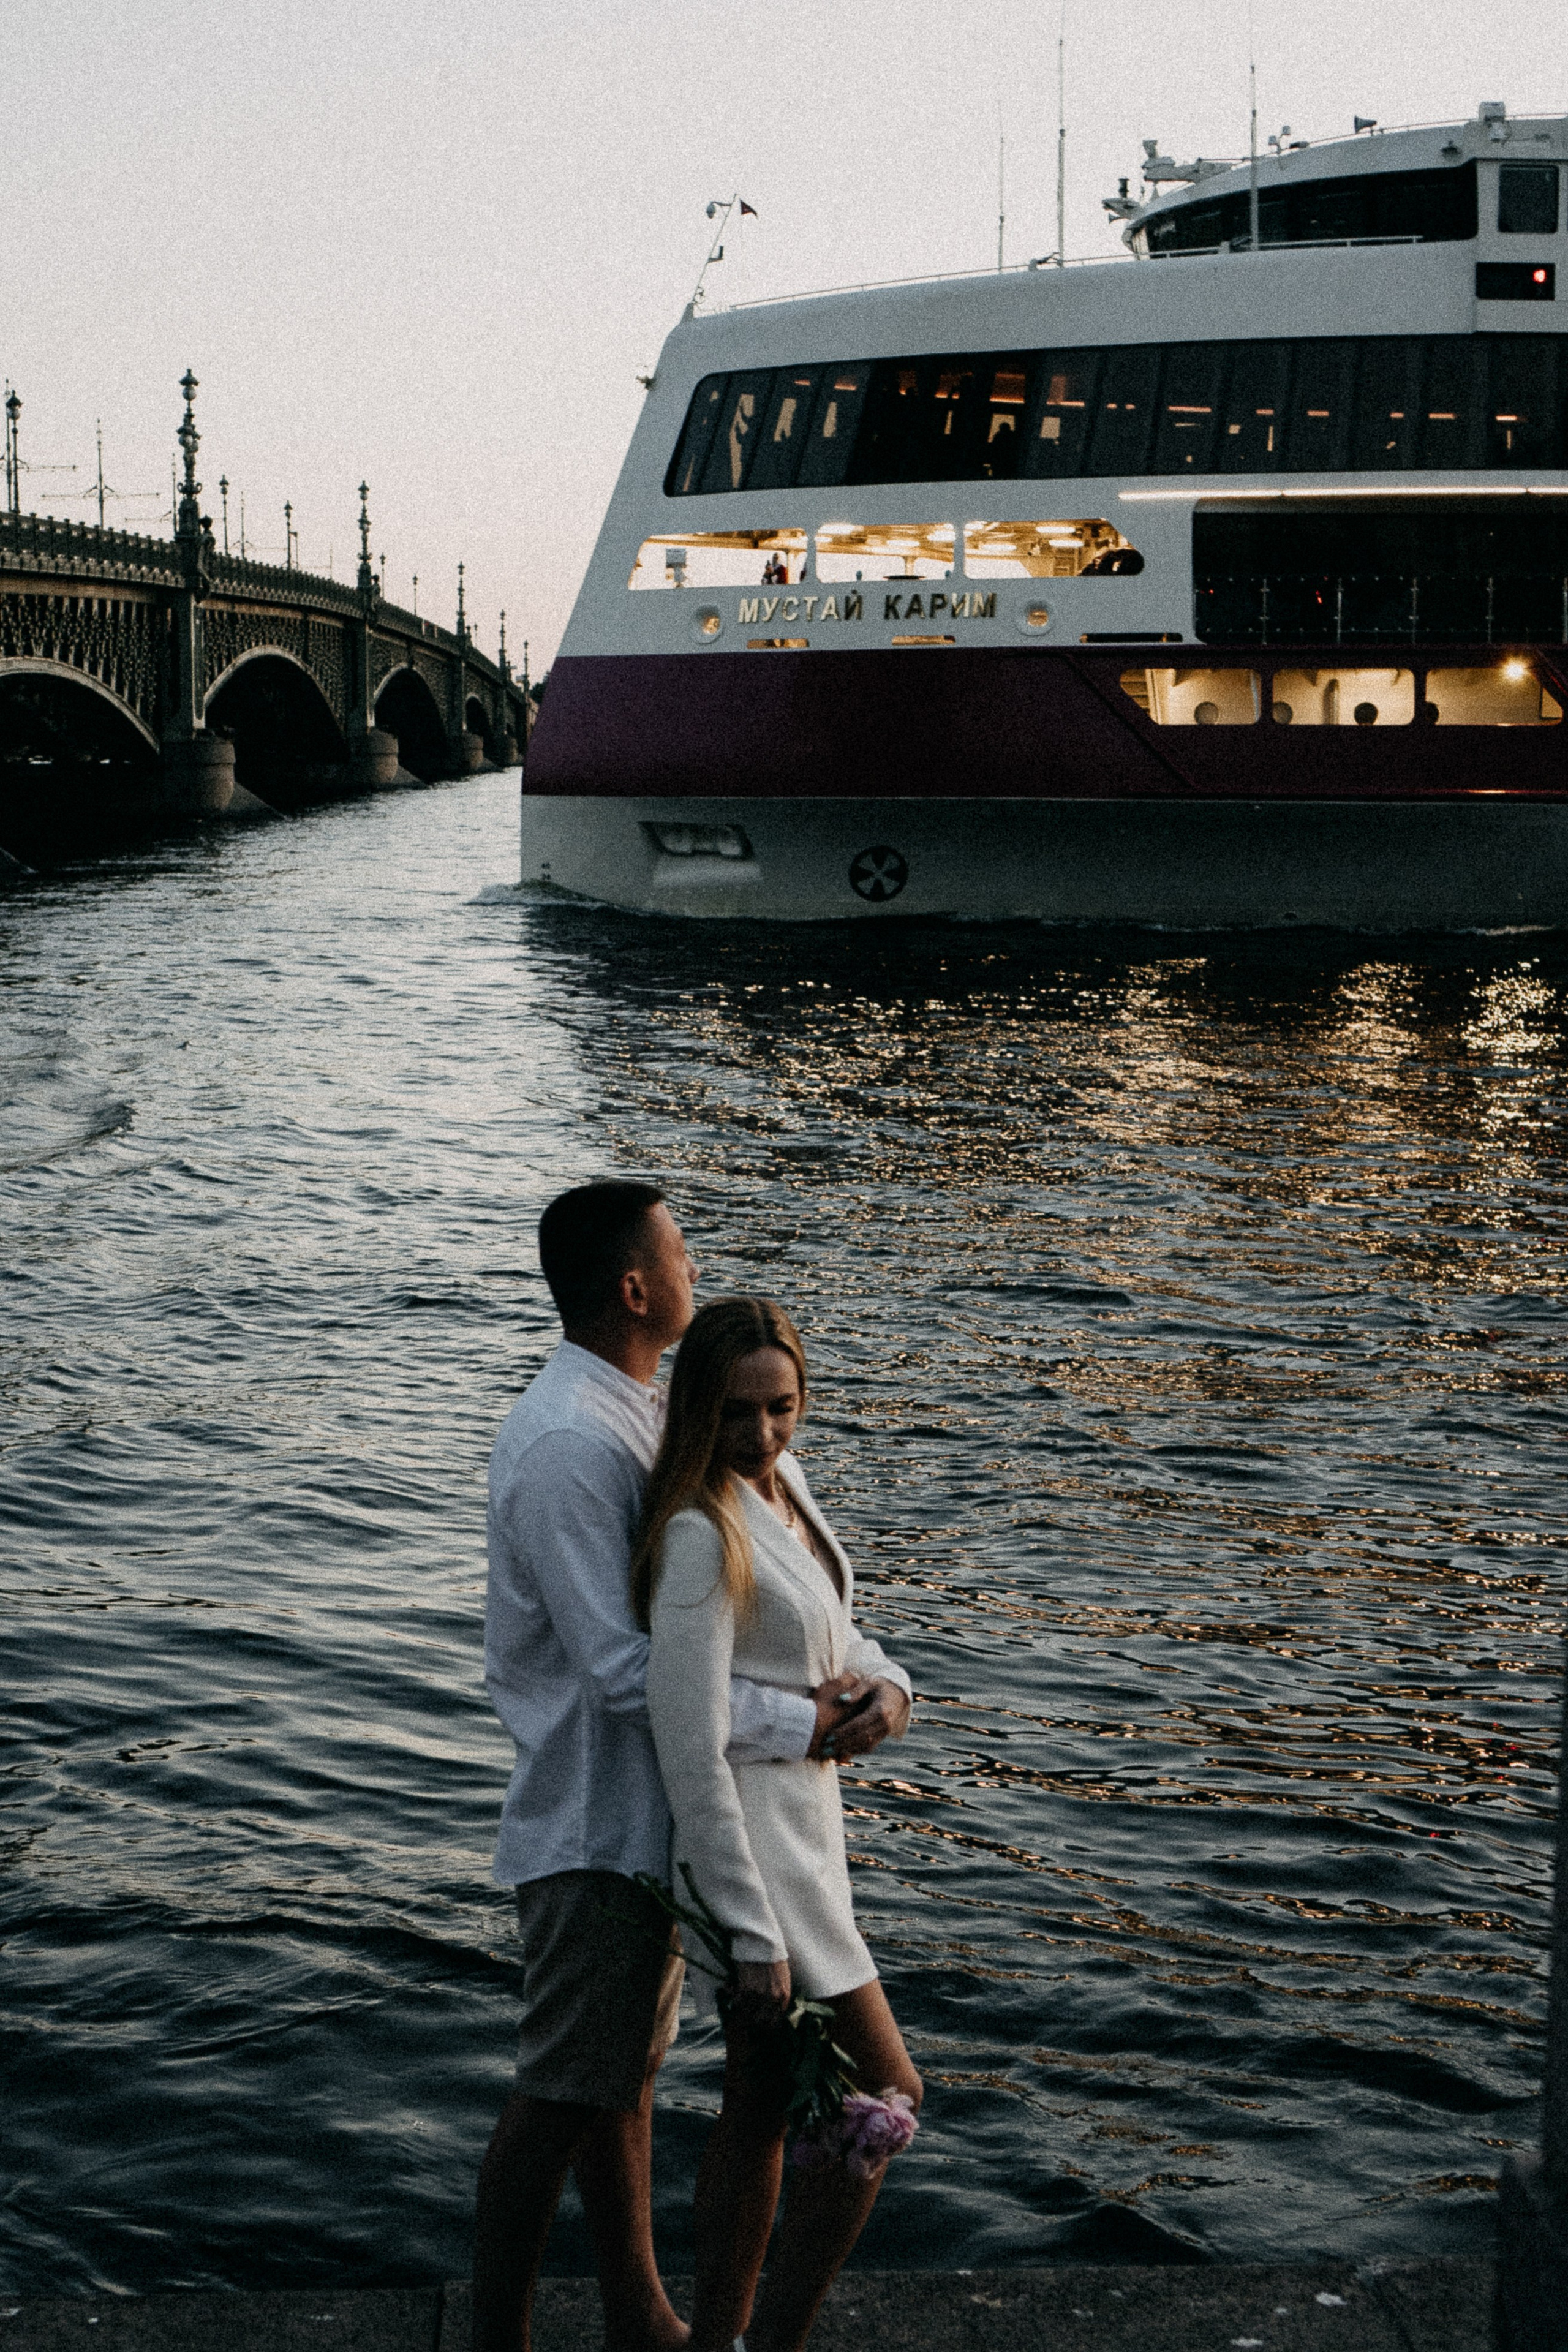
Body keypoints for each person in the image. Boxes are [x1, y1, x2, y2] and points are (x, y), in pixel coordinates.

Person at [474, 1183, 902, 2352]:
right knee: (561, 2094)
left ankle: (640, 2316)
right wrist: (803, 1723)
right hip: (593, 1814)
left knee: (623, 2081)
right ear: (634, 1286)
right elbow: (624, 1676)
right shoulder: (569, 1441)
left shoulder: (642, 1413)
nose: (694, 1269)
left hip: (650, 1820)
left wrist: (867, 1691)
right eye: (682, 1252)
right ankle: (497, 2339)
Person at [635, 1296, 922, 2352]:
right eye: (738, 1414)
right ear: (696, 1410)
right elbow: (687, 1743)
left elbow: (839, 1634)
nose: (762, 1435)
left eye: (782, 1408)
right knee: (889, 2089)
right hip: (753, 1862)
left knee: (758, 2113)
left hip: (809, 1839)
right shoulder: (699, 1534)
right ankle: (776, 2339)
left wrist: (893, 1689)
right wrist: (749, 1935)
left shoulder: (785, 1487)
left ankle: (728, 2344)